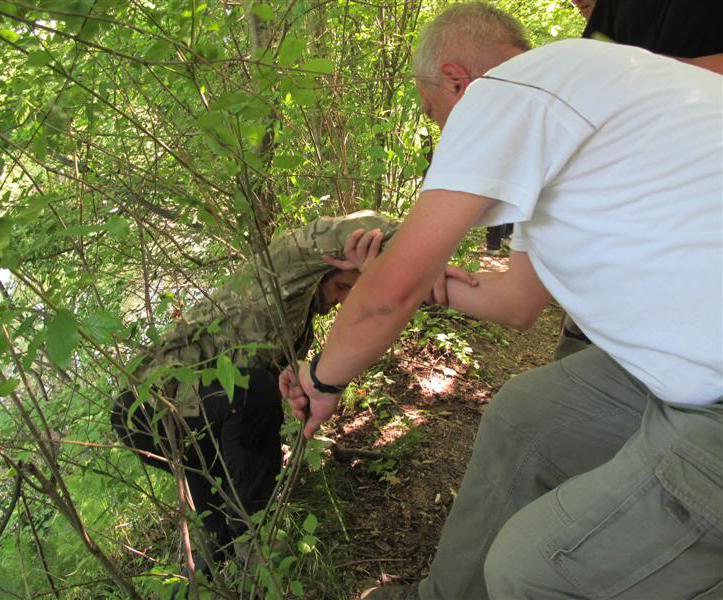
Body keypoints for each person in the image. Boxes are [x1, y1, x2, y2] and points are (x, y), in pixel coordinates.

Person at [280, 3, 722, 599]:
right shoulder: (596, 99)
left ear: (459, 79)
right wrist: (419, 276)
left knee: (532, 569)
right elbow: (517, 302)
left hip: (710, 396)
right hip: (690, 371)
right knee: (527, 416)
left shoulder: (511, 90)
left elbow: (389, 296)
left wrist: (322, 380)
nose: (442, 134)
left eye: (436, 115)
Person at [111, 211, 477, 568]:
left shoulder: (298, 327)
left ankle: (220, 549)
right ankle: (252, 537)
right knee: (252, 391)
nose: (344, 298)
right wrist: (419, 259)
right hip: (145, 408)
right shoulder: (280, 274)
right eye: (342, 286)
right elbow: (340, 229)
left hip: (194, 411)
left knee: (222, 443)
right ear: (327, 266)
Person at [554, 0, 723, 360]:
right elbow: (596, 65)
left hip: (702, 201)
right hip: (623, 195)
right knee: (579, 363)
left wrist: (651, 74)